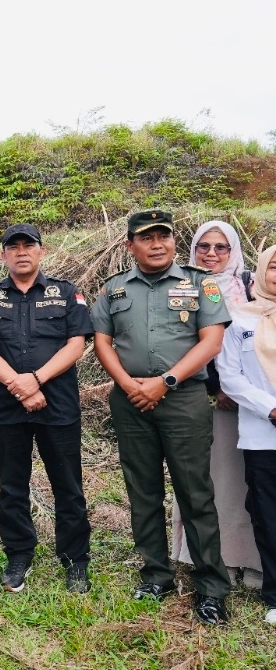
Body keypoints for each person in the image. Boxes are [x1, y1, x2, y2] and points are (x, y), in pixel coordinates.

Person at [91, 209, 232, 626]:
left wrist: (164, 382)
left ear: (173, 241)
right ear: (130, 245)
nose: (157, 244)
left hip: (183, 400)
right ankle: (156, 575)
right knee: (143, 490)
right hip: (131, 401)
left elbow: (212, 341)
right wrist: (131, 386)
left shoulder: (199, 283)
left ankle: (211, 588)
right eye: (146, 237)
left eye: (163, 236)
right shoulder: (114, 289)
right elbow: (102, 341)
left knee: (195, 493)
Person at [0, 223, 93, 592]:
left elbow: (76, 345)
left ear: (42, 251)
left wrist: (35, 380)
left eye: (29, 245)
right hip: (6, 407)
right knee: (13, 484)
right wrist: (19, 386)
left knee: (68, 485)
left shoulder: (67, 293)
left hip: (58, 405)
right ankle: (19, 554)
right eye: (14, 246)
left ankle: (75, 561)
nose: (22, 251)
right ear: (3, 254)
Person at [171, 220, 262, 587]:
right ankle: (207, 556)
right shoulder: (180, 286)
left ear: (233, 251)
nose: (211, 254)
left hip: (251, 404)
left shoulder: (250, 287)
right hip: (202, 400)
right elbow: (179, 342)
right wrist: (214, 388)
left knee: (246, 481)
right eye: (203, 247)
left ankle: (249, 559)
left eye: (220, 247)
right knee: (207, 479)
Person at [215, 244, 276, 625]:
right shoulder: (240, 319)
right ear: (262, 271)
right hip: (262, 433)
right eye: (275, 267)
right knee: (269, 515)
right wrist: (268, 407)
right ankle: (275, 594)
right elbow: (230, 376)